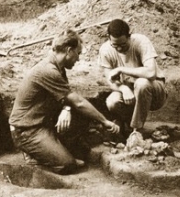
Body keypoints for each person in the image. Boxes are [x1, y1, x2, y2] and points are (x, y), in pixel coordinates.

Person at [9, 29, 120, 175]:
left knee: (81, 116)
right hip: (26, 131)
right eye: (78, 53)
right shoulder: (48, 71)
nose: (78, 59)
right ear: (69, 51)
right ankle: (33, 156)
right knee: (67, 165)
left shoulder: (59, 68)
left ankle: (55, 146)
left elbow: (67, 98)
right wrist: (105, 121)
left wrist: (66, 110)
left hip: (43, 122)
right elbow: (78, 102)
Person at [98, 19, 167, 138]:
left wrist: (121, 69)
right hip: (130, 91)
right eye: (115, 45)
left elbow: (151, 73)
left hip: (154, 91)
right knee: (112, 102)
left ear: (129, 36)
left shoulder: (141, 41)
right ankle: (125, 123)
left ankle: (136, 130)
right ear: (109, 38)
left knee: (142, 83)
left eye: (123, 44)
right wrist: (123, 88)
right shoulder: (105, 49)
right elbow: (110, 80)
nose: (119, 48)